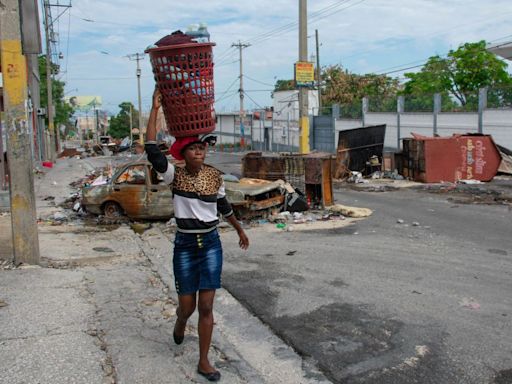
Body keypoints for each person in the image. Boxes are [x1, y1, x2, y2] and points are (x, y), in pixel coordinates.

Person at [144, 88, 249, 382]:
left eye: (202, 149)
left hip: (212, 244)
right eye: (193, 149)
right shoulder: (172, 174)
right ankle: (179, 323)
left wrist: (239, 229)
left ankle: (204, 361)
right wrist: (155, 110)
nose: (199, 152)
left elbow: (223, 205)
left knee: (206, 305)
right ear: (183, 153)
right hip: (186, 245)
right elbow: (151, 148)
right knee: (187, 307)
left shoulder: (215, 175)